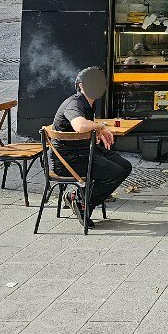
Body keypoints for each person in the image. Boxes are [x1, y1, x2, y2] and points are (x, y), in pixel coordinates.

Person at [52, 67, 132, 228]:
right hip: (69, 161)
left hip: (85, 152)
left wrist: (97, 129)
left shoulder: (89, 104)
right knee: (114, 173)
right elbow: (80, 126)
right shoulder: (74, 103)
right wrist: (100, 127)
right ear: (81, 85)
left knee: (125, 166)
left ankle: (82, 196)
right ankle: (81, 201)